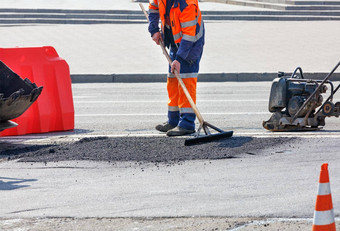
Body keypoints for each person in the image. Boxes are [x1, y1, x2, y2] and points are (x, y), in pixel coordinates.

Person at [148, 0, 205, 136]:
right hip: (173, 41)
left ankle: (187, 124)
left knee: (186, 81)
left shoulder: (187, 4)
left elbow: (189, 36)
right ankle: (173, 120)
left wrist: (179, 59)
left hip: (190, 46)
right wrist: (154, 30)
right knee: (173, 81)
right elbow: (153, 8)